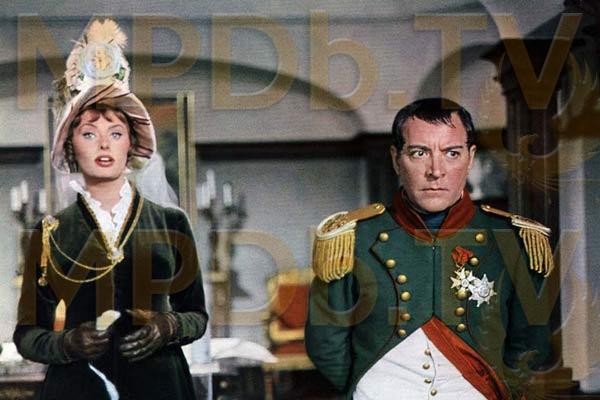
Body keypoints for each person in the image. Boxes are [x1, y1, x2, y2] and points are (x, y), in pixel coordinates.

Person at [305, 98, 554, 399]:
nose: (436, 171)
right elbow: (325, 342)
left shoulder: (513, 239)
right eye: (419, 153)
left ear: (470, 158)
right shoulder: (353, 238)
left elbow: (531, 344)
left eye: (451, 153)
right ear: (396, 159)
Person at [13, 19, 207, 399]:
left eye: (115, 133)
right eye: (89, 133)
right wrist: (68, 343)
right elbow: (27, 335)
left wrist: (168, 327)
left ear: (130, 144)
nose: (104, 145)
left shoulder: (171, 222)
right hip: (79, 387)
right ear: (71, 146)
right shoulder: (50, 233)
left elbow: (197, 316)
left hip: (161, 387)